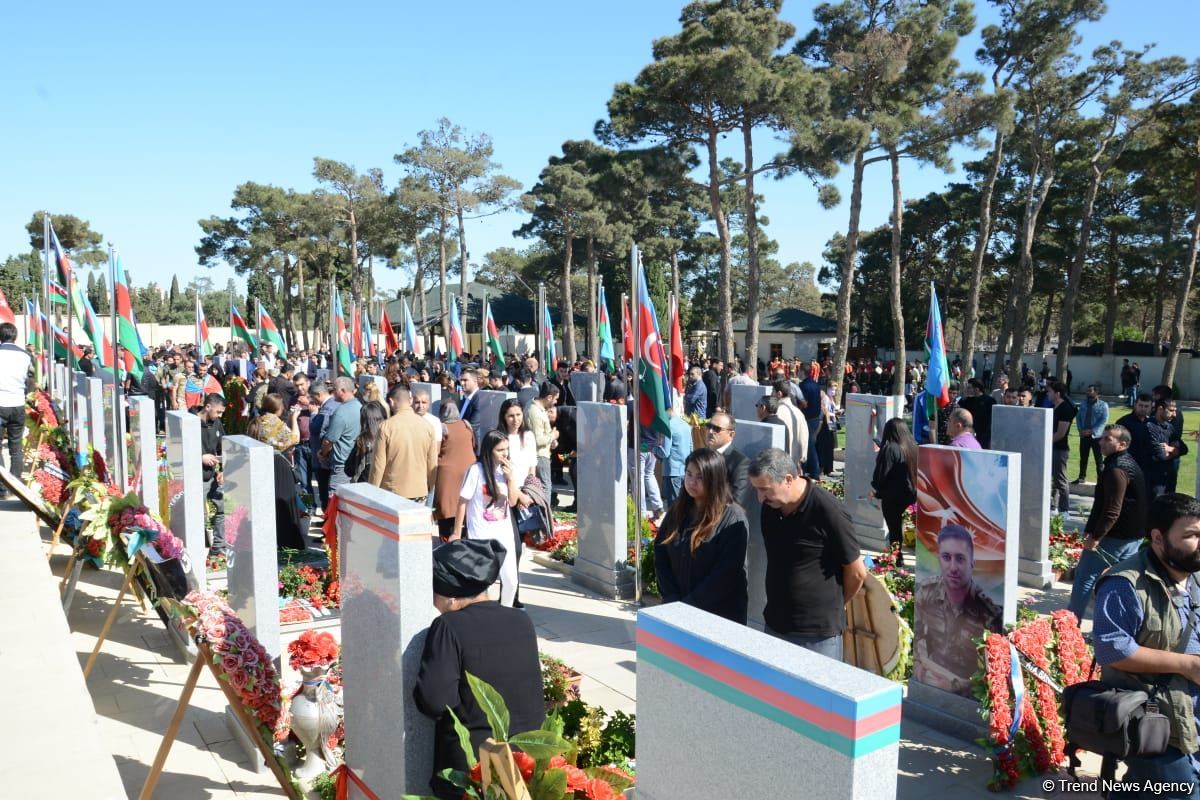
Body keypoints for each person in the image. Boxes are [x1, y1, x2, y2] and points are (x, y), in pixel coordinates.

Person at [413, 538, 543, 800]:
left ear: (450, 595)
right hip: (526, 758)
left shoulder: (448, 627)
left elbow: (435, 701)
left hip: (475, 766)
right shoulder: (521, 619)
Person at [1093, 493, 1200, 796]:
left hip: (1192, 712)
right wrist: (1189, 665)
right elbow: (1113, 648)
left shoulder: (1192, 574)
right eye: (1191, 535)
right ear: (1158, 537)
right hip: (1154, 718)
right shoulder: (1124, 584)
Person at [748, 448, 867, 660]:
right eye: (757, 490)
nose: (760, 498)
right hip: (775, 624)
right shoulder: (771, 507)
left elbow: (857, 572)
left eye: (765, 490)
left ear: (787, 479)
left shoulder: (827, 509)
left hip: (816, 635)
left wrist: (830, 606)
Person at [654, 448, 749, 624]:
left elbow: (726, 573)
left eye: (700, 477)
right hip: (679, 609)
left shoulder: (732, 517)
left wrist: (690, 605)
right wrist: (672, 598)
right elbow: (661, 552)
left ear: (714, 480)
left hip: (718, 616)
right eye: (689, 474)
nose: (692, 482)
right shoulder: (678, 509)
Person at [1067, 424, 1148, 620]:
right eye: (1102, 438)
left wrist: (1095, 537)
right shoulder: (1126, 463)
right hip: (1131, 536)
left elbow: (1112, 510)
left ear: (1122, 444)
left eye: (1107, 439)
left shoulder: (1117, 469)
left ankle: (1069, 628)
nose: (1101, 442)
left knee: (1084, 578)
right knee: (1124, 582)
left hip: (1114, 537)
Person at [912, 525, 1004, 696]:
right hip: (929, 685)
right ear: (939, 559)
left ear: (972, 563)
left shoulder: (989, 614)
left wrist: (956, 686)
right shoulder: (926, 593)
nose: (953, 567)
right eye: (946, 557)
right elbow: (918, 636)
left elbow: (993, 675)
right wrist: (918, 664)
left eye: (960, 559)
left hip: (968, 701)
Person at [450, 430, 520, 607]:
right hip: (481, 536)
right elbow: (462, 502)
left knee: (511, 582)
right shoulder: (476, 470)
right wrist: (457, 532)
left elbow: (512, 502)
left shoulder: (507, 470)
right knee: (482, 584)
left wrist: (510, 479)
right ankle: (483, 617)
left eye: (506, 449)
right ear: (489, 451)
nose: (505, 453)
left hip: (504, 535)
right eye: (500, 450)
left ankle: (505, 614)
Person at [368, 384, 438, 501]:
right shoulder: (428, 426)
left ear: (391, 401)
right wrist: (430, 486)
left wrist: (372, 490)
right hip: (419, 490)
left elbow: (378, 464)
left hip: (393, 491)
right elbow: (432, 461)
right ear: (410, 401)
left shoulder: (386, 427)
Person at [870, 418, 919, 566]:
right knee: (902, 528)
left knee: (894, 529)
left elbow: (880, 475)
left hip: (893, 497)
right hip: (911, 494)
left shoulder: (890, 448)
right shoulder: (914, 447)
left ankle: (895, 558)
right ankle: (896, 557)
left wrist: (875, 490)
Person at [434, 401, 477, 541]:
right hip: (468, 471)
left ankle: (446, 539)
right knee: (464, 507)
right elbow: (474, 444)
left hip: (447, 475)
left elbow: (435, 451)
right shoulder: (466, 424)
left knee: (447, 508)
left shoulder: (442, 427)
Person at [319, 377, 361, 505]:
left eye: (334, 389)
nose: (332, 392)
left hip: (341, 464)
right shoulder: (359, 406)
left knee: (336, 502)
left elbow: (329, 441)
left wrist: (322, 453)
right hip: (354, 461)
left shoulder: (341, 412)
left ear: (342, 391)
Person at [0, 322, 31, 489]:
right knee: (16, 445)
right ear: (15, 336)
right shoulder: (25, 355)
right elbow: (30, 379)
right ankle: (16, 483)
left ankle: (2, 485)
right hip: (18, 403)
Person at [199, 393, 227, 557]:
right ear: (208, 407)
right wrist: (200, 457)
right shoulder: (190, 422)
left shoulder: (216, 423)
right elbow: (179, 448)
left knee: (223, 507)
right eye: (218, 412)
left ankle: (219, 546)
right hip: (196, 477)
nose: (220, 416)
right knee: (199, 514)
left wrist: (224, 468)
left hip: (212, 475)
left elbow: (224, 445)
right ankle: (199, 546)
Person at [524, 382, 559, 504]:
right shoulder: (535, 412)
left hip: (542, 452)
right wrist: (552, 436)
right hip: (540, 455)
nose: (555, 403)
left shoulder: (538, 408)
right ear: (549, 397)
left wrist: (552, 440)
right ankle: (545, 516)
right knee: (545, 486)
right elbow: (538, 440)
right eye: (555, 399)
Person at [654, 404, 695, 508]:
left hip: (672, 471)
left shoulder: (669, 427)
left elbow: (665, 452)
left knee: (674, 506)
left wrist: (654, 449)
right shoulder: (685, 425)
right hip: (685, 470)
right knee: (684, 504)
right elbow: (691, 447)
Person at [1148, 398, 1189, 499]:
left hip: (1168, 478)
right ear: (1160, 409)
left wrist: (1171, 449)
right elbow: (1161, 455)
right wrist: (1175, 450)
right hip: (1154, 480)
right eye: (1171, 410)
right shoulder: (1149, 427)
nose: (1174, 414)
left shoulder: (1169, 427)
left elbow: (1184, 449)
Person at [705, 411, 749, 506]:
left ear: (731, 435)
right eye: (709, 426)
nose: (710, 431)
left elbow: (736, 501)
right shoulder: (700, 456)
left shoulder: (740, 463)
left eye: (717, 429)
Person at [308, 380, 339, 513]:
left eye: (313, 397)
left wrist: (314, 413)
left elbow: (315, 429)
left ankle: (326, 521)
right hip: (327, 457)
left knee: (324, 492)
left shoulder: (327, 408)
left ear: (319, 394)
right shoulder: (335, 404)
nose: (312, 400)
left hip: (323, 457)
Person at [1048, 381, 1076, 517]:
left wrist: (1044, 442)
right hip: (1051, 447)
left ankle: (1064, 509)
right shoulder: (1054, 406)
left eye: (1050, 391)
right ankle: (1052, 505)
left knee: (1060, 479)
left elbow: (1060, 433)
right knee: (1049, 478)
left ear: (1057, 394)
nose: (1048, 394)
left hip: (1059, 449)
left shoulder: (1065, 409)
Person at [342, 400, 388, 483]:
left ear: (363, 422)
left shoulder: (362, 442)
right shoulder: (390, 439)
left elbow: (348, 470)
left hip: (366, 489)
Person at [1074, 383, 1109, 485]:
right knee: (1083, 458)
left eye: (1090, 390)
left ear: (1096, 392)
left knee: (1099, 459)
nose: (1087, 392)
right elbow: (1078, 417)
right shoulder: (1083, 404)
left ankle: (1101, 480)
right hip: (1084, 436)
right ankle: (1081, 477)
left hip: (1097, 437)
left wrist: (1092, 431)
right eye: (1087, 390)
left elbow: (1104, 420)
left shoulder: (1103, 405)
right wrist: (1081, 430)